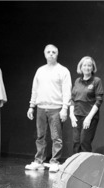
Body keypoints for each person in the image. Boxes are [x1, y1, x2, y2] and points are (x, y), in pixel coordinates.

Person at [26, 44, 72, 172]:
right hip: (41, 107)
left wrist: (64, 108)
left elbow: (66, 91)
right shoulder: (40, 70)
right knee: (40, 136)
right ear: (45, 54)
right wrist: (31, 106)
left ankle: (55, 161)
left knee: (56, 137)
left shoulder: (63, 71)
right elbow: (35, 89)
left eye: (53, 52)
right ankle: (38, 161)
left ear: (57, 54)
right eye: (48, 52)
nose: (51, 54)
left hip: (56, 108)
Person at [69, 56, 103, 154]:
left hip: (89, 117)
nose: (87, 67)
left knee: (84, 142)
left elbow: (99, 100)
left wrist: (89, 118)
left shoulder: (96, 81)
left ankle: (86, 167)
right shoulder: (77, 81)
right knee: (76, 142)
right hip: (76, 116)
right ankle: (76, 167)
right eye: (84, 65)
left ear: (93, 68)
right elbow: (72, 99)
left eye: (89, 65)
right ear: (81, 67)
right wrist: (71, 115)